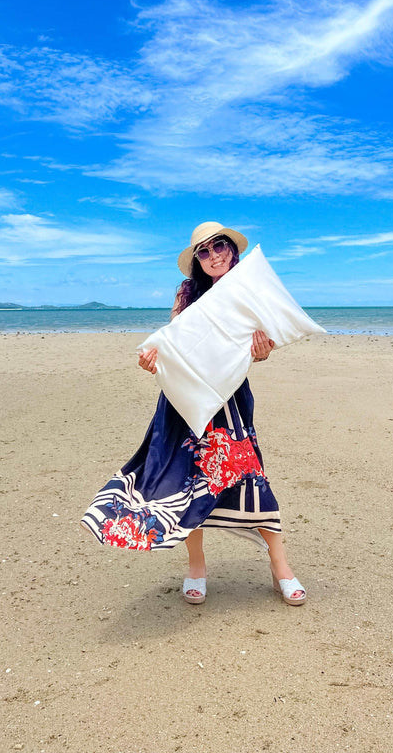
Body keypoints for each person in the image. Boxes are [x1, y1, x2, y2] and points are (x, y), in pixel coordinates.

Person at [81, 221, 306, 606]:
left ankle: (280, 566)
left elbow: (263, 346)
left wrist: (262, 351)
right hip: (184, 403)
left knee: (252, 478)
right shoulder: (187, 296)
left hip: (230, 401)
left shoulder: (250, 291)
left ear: (233, 251)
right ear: (196, 262)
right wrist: (154, 362)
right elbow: (177, 347)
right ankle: (197, 567)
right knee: (186, 482)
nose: (214, 254)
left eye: (220, 246)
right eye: (204, 251)